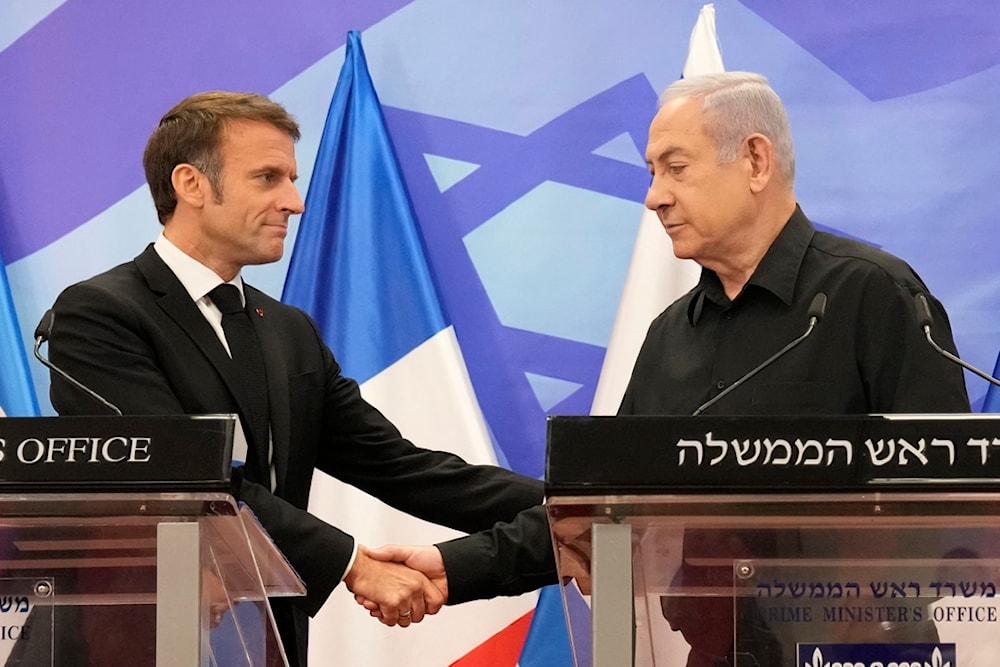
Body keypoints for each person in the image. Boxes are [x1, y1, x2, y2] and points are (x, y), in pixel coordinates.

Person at [371, 72, 972, 664]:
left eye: (675, 168)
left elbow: (949, 499)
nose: (654, 195)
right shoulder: (669, 336)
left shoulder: (871, 295)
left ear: (756, 161)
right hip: (709, 652)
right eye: (652, 173)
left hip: (860, 649)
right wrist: (458, 567)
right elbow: (600, 510)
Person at [43, 91, 552, 667]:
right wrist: (353, 563)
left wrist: (579, 506)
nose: (295, 201)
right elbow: (184, 478)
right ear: (190, 184)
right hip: (142, 633)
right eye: (268, 178)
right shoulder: (101, 313)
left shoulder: (287, 329)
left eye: (291, 178)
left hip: (269, 636)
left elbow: (402, 468)